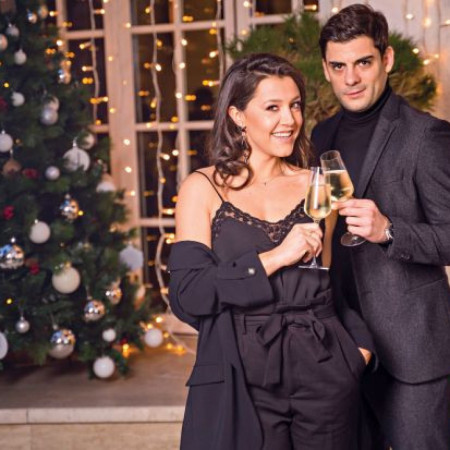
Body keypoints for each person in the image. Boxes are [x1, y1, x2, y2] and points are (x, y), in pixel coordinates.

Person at [168, 53, 374, 450]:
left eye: (295, 105)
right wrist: (277, 256)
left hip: (325, 369)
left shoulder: (318, 183)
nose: (290, 120)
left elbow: (341, 281)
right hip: (243, 374)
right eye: (273, 108)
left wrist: (357, 353)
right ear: (238, 116)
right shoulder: (202, 188)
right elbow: (189, 294)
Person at [312, 4, 450, 449]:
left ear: (386, 59)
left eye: (363, 63)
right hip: (343, 343)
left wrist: (389, 230)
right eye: (338, 66)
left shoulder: (427, 136)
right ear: (326, 69)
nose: (350, 78)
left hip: (414, 352)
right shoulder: (319, 136)